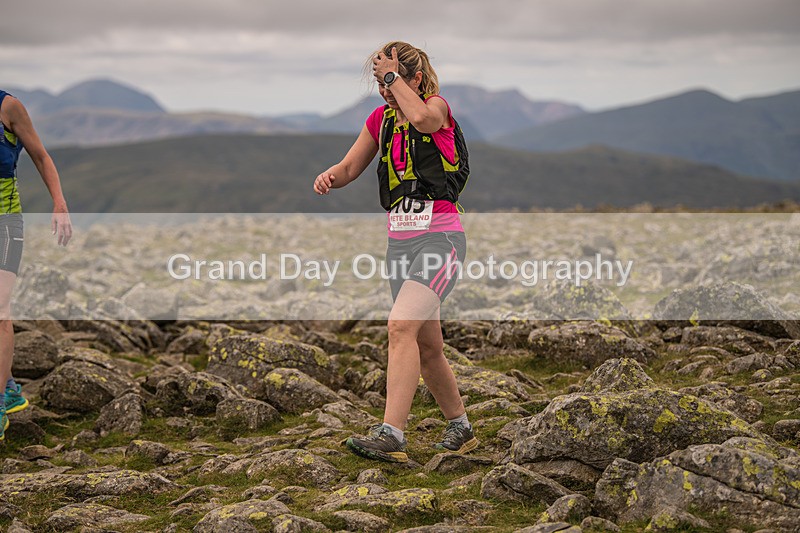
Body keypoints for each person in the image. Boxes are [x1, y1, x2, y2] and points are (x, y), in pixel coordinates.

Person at [313, 41, 477, 463]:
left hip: (441, 240)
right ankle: (460, 427)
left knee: (400, 327)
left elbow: (421, 118)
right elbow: (351, 168)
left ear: (415, 79)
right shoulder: (380, 120)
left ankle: (392, 435)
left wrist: (394, 79)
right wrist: (330, 175)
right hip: (399, 244)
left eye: (391, 80)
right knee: (427, 347)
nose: (384, 90)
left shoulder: (436, 108)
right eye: (379, 81)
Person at [0, 89, 72, 441]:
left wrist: (59, 204)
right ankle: (9, 385)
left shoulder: (9, 107)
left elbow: (41, 157)